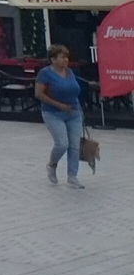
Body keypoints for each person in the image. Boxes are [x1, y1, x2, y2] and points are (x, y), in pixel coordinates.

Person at [36, 43, 87, 188]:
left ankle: (72, 176)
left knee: (74, 145)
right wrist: (59, 105)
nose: (66, 60)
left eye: (67, 57)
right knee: (62, 144)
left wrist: (79, 110)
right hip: (53, 113)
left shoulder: (70, 72)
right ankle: (52, 165)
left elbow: (74, 91)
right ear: (53, 59)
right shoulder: (45, 73)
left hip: (74, 112)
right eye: (62, 57)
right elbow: (39, 94)